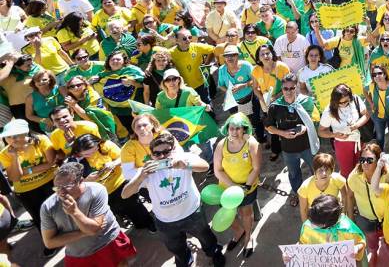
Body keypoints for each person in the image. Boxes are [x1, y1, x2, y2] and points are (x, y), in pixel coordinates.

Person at [121, 131, 225, 267]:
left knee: (206, 238)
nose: (162, 156)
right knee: (176, 248)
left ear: (173, 149)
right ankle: (184, 261)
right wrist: (141, 177)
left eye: (166, 152)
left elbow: (205, 166)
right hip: (166, 222)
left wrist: (186, 165)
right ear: (151, 155)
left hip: (193, 213)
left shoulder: (183, 158)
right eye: (157, 154)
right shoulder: (146, 171)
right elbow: (125, 194)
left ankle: (214, 253)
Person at [40, 161, 137, 266]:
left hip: (108, 242)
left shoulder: (96, 190)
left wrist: (74, 212)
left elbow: (93, 229)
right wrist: (83, 233)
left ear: (81, 181)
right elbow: (49, 242)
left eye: (67, 186)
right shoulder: (48, 207)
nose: (61, 192)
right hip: (80, 254)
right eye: (57, 188)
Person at [69, 133, 154, 232]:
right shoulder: (75, 161)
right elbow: (73, 184)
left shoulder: (106, 145)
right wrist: (87, 180)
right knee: (118, 210)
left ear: (98, 143)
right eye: (86, 154)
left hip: (120, 182)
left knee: (135, 206)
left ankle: (148, 223)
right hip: (102, 192)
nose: (91, 155)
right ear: (78, 152)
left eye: (94, 150)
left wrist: (114, 163)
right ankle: (135, 223)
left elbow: (124, 158)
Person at [0, 119, 56, 254]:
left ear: (26, 133)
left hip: (50, 182)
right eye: (8, 137)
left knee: (60, 210)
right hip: (26, 190)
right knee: (39, 218)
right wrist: (14, 157)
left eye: (15, 135)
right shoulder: (5, 153)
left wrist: (27, 171)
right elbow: (14, 178)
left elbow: (52, 163)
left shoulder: (41, 140)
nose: (12, 140)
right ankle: (50, 243)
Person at [264, 72, 319, 208]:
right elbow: (268, 127)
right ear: (281, 89)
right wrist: (282, 133)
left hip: (307, 145)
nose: (288, 91)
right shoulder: (275, 106)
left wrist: (305, 128)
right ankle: (297, 193)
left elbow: (315, 119)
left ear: (297, 88)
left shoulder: (306, 101)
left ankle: (318, 192)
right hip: (289, 149)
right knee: (294, 174)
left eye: (292, 88)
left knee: (316, 169)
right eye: (285, 88)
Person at [213, 113, 260, 257]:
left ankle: (248, 237)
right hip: (226, 189)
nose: (234, 132)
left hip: (247, 187)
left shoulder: (252, 143)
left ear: (244, 129)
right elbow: (217, 170)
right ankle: (239, 231)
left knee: (246, 213)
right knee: (229, 214)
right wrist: (233, 186)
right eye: (231, 128)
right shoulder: (221, 145)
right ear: (227, 129)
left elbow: (256, 168)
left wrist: (245, 187)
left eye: (238, 128)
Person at [289, 194, 366, 264]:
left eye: (316, 224)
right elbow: (303, 245)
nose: (311, 225)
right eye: (311, 220)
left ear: (328, 225)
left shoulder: (347, 229)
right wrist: (293, 253)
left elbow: (360, 242)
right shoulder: (308, 226)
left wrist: (356, 248)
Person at [345, 142, 386, 265]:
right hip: (365, 219)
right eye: (362, 159)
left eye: (369, 160)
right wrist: (351, 221)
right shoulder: (354, 177)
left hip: (386, 219)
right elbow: (350, 197)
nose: (365, 163)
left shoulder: (388, 174)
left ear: (378, 160)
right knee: (368, 248)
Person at [318, 83, 369, 177]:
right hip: (343, 144)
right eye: (340, 103)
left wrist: (356, 125)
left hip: (360, 141)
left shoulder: (355, 99)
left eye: (346, 101)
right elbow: (321, 131)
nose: (344, 104)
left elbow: (366, 115)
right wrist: (334, 135)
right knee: (347, 172)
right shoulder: (329, 111)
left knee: (361, 167)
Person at [297, 152, 347, 223]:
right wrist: (306, 227)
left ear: (332, 170)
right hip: (316, 217)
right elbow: (304, 210)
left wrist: (343, 215)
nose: (324, 173)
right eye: (320, 170)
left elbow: (345, 197)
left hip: (334, 214)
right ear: (314, 172)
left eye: (327, 169)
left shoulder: (338, 179)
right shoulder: (305, 187)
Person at [365, 63, 389, 149]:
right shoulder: (371, 86)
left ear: (385, 74)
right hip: (378, 116)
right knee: (380, 137)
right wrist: (370, 102)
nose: (377, 76)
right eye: (374, 74)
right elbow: (364, 90)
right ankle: (380, 155)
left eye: (379, 73)